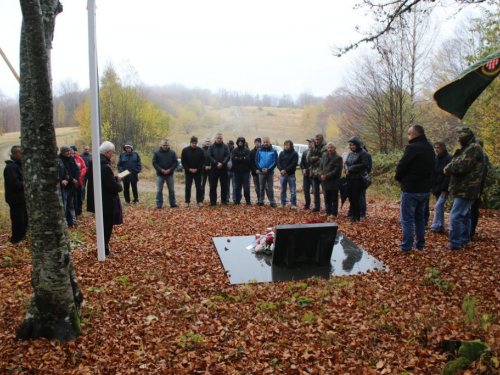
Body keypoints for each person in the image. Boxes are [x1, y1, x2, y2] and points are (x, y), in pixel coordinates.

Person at [395, 125, 435, 251]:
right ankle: (420, 245)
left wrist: (398, 177)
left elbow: (402, 165)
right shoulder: (429, 147)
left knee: (407, 220)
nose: (408, 137)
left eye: (409, 134)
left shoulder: (412, 148)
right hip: (424, 190)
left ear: (416, 134)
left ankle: (406, 246)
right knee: (420, 219)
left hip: (411, 189)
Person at [444, 128, 485, 250]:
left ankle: (455, 243)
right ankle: (464, 240)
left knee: (456, 216)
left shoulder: (473, 148)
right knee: (465, 214)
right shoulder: (469, 148)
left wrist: (447, 169)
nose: (457, 140)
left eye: (460, 138)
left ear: (465, 138)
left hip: (466, 189)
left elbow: (461, 166)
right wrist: (449, 167)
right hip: (466, 188)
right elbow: (457, 162)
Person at [87, 141, 123, 256]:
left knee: (103, 226)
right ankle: (104, 250)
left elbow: (104, 181)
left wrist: (114, 178)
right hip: (106, 202)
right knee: (106, 227)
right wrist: (119, 185)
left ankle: (103, 248)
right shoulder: (104, 166)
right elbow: (111, 186)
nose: (112, 155)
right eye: (112, 152)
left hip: (100, 200)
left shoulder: (95, 163)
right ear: (107, 152)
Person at [4, 145, 28, 244]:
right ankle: (16, 240)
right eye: (20, 153)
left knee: (24, 220)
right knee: (18, 220)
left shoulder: (19, 165)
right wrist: (27, 184)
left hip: (22, 198)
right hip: (15, 199)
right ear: (14, 154)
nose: (22, 155)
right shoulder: (11, 167)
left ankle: (22, 237)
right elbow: (14, 184)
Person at [344, 136, 370, 222]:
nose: (352, 146)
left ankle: (357, 216)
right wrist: (347, 169)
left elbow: (364, 164)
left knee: (356, 198)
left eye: (353, 145)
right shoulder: (350, 153)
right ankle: (353, 214)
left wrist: (351, 169)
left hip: (358, 179)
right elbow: (346, 163)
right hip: (350, 178)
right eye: (351, 145)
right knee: (350, 197)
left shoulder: (363, 153)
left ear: (358, 145)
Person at [430, 141, 453, 234]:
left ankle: (435, 226)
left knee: (438, 206)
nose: (436, 149)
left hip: (444, 187)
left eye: (438, 148)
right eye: (435, 148)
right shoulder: (436, 159)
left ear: (443, 148)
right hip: (437, 186)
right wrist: (431, 186)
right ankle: (441, 226)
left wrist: (444, 189)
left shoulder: (449, 158)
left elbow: (448, 175)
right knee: (439, 207)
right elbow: (433, 173)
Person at [470, 140, 489, 239]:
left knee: (473, 209)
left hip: (476, 187)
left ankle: (471, 231)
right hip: (475, 187)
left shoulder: (483, 158)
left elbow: (481, 175)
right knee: (472, 209)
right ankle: (470, 230)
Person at [152, 139, 178, 209]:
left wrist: (170, 170)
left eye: (167, 145)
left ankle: (172, 203)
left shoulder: (172, 153)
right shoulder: (156, 153)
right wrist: (161, 170)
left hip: (170, 174)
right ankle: (159, 204)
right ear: (161, 145)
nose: (165, 146)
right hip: (160, 174)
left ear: (169, 145)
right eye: (164, 145)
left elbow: (175, 162)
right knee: (159, 190)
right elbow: (154, 163)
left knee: (171, 190)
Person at [58, 144, 79, 226]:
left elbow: (77, 169)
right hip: (64, 185)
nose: (69, 152)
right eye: (67, 151)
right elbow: (65, 172)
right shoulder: (59, 159)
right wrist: (70, 179)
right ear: (63, 152)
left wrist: (76, 178)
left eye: (69, 151)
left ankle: (71, 220)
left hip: (72, 185)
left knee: (71, 204)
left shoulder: (71, 158)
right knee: (64, 204)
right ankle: (65, 221)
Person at [181, 136, 205, 207]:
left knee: (199, 187)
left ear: (196, 143)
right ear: (190, 143)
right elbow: (183, 161)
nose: (194, 144)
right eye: (193, 143)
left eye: (195, 143)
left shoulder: (200, 150)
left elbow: (202, 160)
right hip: (189, 172)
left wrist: (197, 169)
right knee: (188, 187)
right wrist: (188, 169)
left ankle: (199, 201)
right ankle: (187, 201)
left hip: (198, 172)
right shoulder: (185, 150)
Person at [320, 142, 343, 216]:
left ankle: (334, 214)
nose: (329, 149)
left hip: (333, 182)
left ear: (334, 148)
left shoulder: (338, 157)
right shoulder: (324, 156)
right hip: (325, 182)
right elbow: (321, 167)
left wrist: (327, 176)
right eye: (328, 148)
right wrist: (321, 174)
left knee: (334, 199)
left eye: (331, 148)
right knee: (327, 198)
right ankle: (328, 212)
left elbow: (337, 171)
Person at [207, 133, 231, 205]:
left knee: (224, 186)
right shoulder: (211, 147)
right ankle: (213, 201)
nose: (219, 139)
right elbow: (209, 156)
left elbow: (228, 156)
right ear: (215, 138)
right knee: (213, 186)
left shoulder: (225, 146)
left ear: (222, 139)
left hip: (223, 169)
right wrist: (216, 163)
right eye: (218, 138)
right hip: (214, 169)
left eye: (220, 138)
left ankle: (224, 201)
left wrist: (222, 163)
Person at [307, 133, 327, 212]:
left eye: (318, 139)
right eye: (316, 139)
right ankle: (317, 206)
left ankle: (327, 207)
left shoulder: (325, 147)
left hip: (322, 173)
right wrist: (318, 158)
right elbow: (308, 159)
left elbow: (323, 160)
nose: (317, 141)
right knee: (315, 192)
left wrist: (314, 159)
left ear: (322, 139)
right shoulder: (313, 147)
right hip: (314, 173)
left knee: (325, 192)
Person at [256, 137, 278, 207]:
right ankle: (261, 201)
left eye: (267, 142)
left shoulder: (273, 151)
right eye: (264, 142)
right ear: (263, 142)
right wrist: (260, 168)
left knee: (270, 188)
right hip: (261, 172)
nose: (265, 143)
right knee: (261, 187)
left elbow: (275, 162)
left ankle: (272, 201)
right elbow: (257, 161)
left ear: (269, 142)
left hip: (270, 173)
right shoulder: (259, 150)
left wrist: (269, 169)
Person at [277, 140, 299, 208]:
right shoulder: (281, 153)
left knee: (292, 190)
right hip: (282, 175)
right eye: (285, 145)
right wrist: (281, 170)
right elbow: (278, 162)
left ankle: (293, 204)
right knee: (283, 190)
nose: (286, 146)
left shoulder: (294, 154)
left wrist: (286, 171)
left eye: (288, 145)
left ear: (291, 146)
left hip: (291, 174)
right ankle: (283, 203)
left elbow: (294, 164)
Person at [231, 136, 251, 205]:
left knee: (246, 187)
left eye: (241, 142)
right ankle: (237, 200)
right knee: (237, 187)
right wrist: (242, 158)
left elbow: (248, 160)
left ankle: (248, 201)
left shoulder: (247, 150)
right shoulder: (234, 150)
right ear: (237, 142)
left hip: (245, 171)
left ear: (243, 142)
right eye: (239, 142)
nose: (240, 143)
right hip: (236, 171)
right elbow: (233, 159)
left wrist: (238, 158)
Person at [250, 137, 269, 203]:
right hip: (255, 172)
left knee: (266, 187)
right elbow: (251, 163)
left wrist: (261, 169)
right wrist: (255, 170)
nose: (257, 143)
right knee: (257, 187)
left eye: (258, 142)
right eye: (256, 142)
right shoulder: (252, 152)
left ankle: (271, 200)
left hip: (263, 172)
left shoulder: (263, 150)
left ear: (260, 143)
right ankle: (260, 200)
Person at [70, 145, 87, 216]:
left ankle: (79, 212)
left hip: (79, 182)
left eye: (74, 152)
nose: (74, 154)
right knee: (73, 198)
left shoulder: (79, 159)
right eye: (72, 153)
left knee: (80, 198)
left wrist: (80, 176)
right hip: (71, 182)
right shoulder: (69, 160)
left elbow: (83, 168)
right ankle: (73, 212)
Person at [300, 138, 315, 209]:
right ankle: (307, 204)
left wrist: (307, 170)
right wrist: (303, 169)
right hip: (305, 175)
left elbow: (315, 164)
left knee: (315, 191)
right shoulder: (305, 152)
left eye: (310, 142)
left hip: (313, 174)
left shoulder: (316, 152)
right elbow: (302, 163)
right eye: (308, 142)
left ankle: (317, 206)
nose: (309, 144)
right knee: (306, 191)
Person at [201, 138, 212, 202]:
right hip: (203, 170)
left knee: (212, 185)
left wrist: (211, 166)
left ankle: (212, 199)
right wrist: (204, 166)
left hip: (211, 170)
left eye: (209, 141)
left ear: (211, 142)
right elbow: (199, 160)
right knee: (202, 185)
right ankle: (201, 199)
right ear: (204, 142)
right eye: (206, 141)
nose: (207, 142)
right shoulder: (201, 150)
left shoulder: (213, 149)